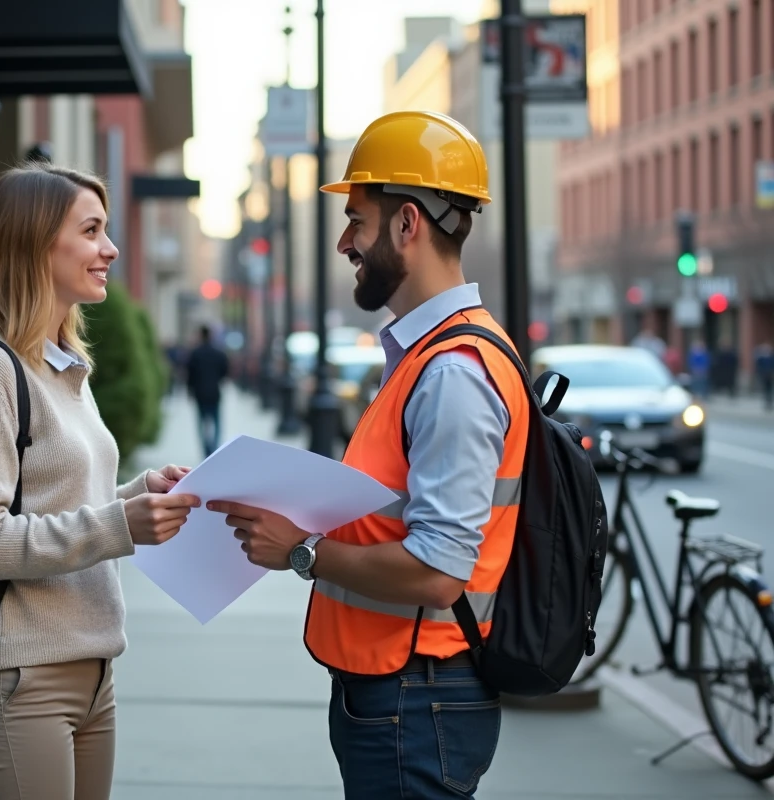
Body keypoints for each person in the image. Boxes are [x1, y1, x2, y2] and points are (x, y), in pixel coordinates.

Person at [206, 111, 531, 799]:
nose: (343, 240)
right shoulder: (430, 359)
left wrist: (301, 550)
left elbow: (441, 571)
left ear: (408, 224)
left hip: (416, 694)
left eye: (357, 219)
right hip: (405, 690)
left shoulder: (451, 373)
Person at [0, 162, 200, 800]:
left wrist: (137, 496)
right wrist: (118, 526)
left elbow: (58, 503)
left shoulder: (62, 366)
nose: (109, 249)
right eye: (91, 230)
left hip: (93, 675)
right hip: (18, 681)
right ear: (34, 243)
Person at [184, 324, 231, 457]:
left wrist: (189, 391)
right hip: (214, 392)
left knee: (202, 423)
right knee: (216, 422)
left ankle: (206, 449)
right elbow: (225, 372)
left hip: (199, 393)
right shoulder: (219, 353)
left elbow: (189, 375)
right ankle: (214, 448)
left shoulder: (195, 353)